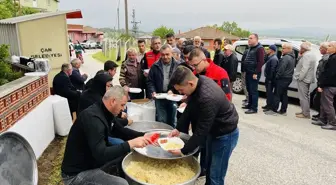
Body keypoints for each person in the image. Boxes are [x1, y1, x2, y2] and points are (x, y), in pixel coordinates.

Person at [61, 86, 152, 185]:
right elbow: (101, 154)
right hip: (75, 174)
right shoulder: (93, 119)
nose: (123, 109)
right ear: (113, 101)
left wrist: (144, 135)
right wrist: (131, 143)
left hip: (91, 162)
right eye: (122, 105)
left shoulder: (105, 111)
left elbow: (121, 131)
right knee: (122, 184)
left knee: (123, 155)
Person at [168, 66, 239, 185]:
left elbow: (201, 131)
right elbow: (189, 108)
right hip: (213, 130)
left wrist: (183, 151)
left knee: (216, 174)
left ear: (190, 83)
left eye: (181, 90)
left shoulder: (207, 98)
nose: (180, 93)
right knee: (209, 167)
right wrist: (178, 129)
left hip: (225, 134)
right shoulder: (198, 82)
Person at [147, 44, 179, 127]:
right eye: (163, 55)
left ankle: (172, 138)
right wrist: (153, 91)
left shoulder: (178, 66)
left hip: (172, 96)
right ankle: (162, 137)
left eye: (167, 54)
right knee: (161, 120)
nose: (165, 57)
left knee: (173, 120)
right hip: (159, 96)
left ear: (172, 53)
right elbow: (150, 81)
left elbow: (180, 81)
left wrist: (173, 90)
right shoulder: (155, 66)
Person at [265, 43, 295, 116]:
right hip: (288, 78)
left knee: (277, 94)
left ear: (288, 49)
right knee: (284, 95)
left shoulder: (286, 58)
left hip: (282, 79)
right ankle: (283, 110)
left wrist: (277, 76)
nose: (282, 50)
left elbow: (281, 69)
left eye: (284, 48)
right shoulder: (292, 57)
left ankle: (274, 110)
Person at [242, 33, 265, 114]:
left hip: (254, 73)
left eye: (251, 38)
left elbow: (261, 62)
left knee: (253, 91)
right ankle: (250, 104)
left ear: (256, 39)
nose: (249, 40)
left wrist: (256, 73)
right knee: (249, 89)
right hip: (248, 72)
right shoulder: (251, 48)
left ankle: (254, 108)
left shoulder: (260, 48)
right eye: (248, 38)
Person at [294, 42, 317, 119]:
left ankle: (305, 114)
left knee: (303, 97)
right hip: (309, 78)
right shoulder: (312, 54)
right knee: (306, 96)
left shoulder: (307, 55)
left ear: (303, 49)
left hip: (304, 79)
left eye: (301, 48)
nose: (300, 49)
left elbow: (305, 68)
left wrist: (300, 78)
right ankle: (305, 111)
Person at [318, 41, 336, 130]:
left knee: (328, 104)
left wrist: (321, 84)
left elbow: (329, 74)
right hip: (329, 84)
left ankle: (332, 123)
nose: (327, 48)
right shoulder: (332, 57)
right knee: (324, 103)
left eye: (329, 46)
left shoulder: (334, 58)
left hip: (330, 85)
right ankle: (322, 119)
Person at [312, 42, 330, 121]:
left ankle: (323, 117)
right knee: (319, 100)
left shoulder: (326, 58)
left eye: (321, 48)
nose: (319, 49)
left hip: (323, 83)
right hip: (320, 82)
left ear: (325, 49)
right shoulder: (325, 57)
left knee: (321, 101)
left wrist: (321, 84)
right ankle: (320, 115)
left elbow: (323, 72)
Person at [262, 45, 279, 112]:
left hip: (270, 79)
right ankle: (267, 104)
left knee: (269, 93)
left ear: (272, 50)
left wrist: (270, 79)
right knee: (268, 92)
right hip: (268, 78)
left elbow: (272, 70)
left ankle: (269, 106)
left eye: (268, 49)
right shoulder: (270, 57)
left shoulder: (274, 59)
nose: (267, 50)